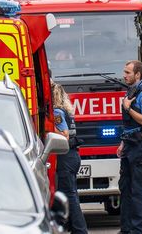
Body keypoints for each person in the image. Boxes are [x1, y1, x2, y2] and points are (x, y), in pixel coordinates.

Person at [118, 60, 142, 234]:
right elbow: (129, 124)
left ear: (138, 74)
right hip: (129, 144)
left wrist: (128, 108)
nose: (124, 75)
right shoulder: (131, 91)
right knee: (125, 188)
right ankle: (126, 229)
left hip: (140, 146)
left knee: (137, 190)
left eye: (128, 72)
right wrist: (122, 143)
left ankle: (137, 230)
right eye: (124, 72)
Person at [51, 79, 87, 234]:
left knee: (69, 195)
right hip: (73, 156)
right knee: (72, 194)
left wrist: (48, 127)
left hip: (65, 157)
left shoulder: (57, 112)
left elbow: (64, 135)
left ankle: (80, 230)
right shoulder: (66, 111)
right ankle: (75, 229)